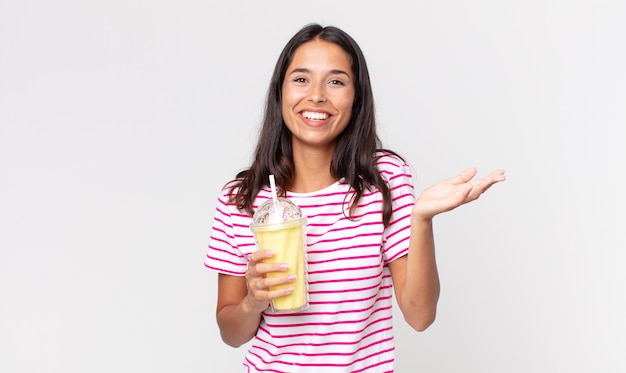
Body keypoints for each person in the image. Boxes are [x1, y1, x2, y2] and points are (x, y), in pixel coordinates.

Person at [204, 23, 505, 372]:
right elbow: (231, 333)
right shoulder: (239, 200)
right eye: (301, 79)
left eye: (336, 81)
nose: (316, 95)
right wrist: (253, 303)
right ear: (280, 93)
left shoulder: (385, 179)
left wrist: (421, 219)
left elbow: (420, 316)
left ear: (356, 97)